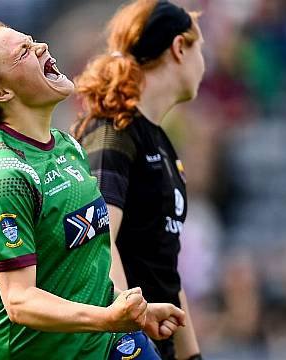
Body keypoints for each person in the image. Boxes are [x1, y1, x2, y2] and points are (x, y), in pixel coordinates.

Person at [0, 21, 186, 359]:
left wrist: (132, 312)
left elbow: (81, 266)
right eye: (23, 53)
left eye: (32, 41)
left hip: (104, 345)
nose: (40, 47)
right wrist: (106, 319)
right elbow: (20, 301)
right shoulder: (3, 177)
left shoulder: (65, 146)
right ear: (1, 93)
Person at [73, 1, 205, 359]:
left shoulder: (159, 140)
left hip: (155, 343)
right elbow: (98, 241)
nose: (202, 63)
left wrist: (190, 355)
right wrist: (129, 333)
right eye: (200, 48)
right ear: (180, 48)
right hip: (124, 346)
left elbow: (165, 266)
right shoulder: (113, 133)